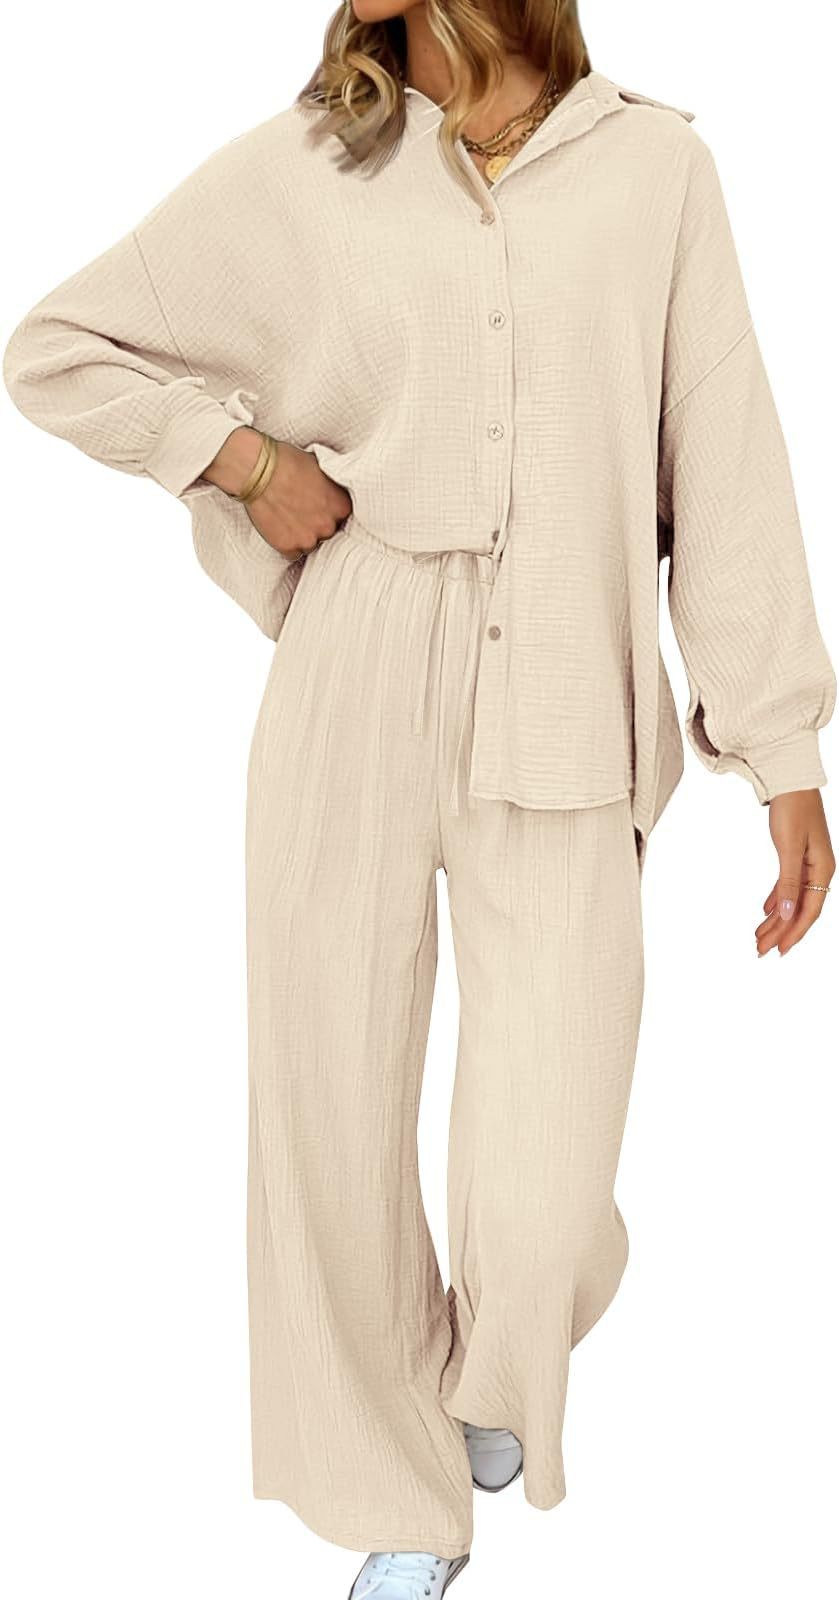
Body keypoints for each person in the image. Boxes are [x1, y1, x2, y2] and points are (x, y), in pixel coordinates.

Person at [3, 2, 836, 1596]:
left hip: (569, 680)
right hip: (361, 656)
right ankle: (396, 1492)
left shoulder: (658, 172)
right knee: (329, 1105)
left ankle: (507, 1352)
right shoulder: (325, 153)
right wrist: (246, 464)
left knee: (547, 1172)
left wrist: (781, 749)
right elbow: (58, 348)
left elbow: (724, 466)